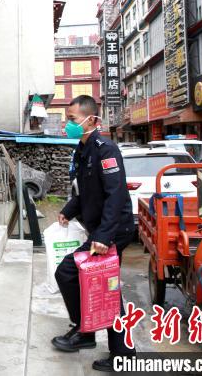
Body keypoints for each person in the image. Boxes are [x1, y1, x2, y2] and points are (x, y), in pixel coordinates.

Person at [52, 95, 136, 371]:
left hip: (113, 230)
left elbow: (116, 195)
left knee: (72, 273)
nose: (68, 124)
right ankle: (92, 335)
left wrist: (103, 237)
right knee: (103, 285)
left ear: (91, 120)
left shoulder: (106, 150)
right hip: (101, 229)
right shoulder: (83, 149)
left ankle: (93, 336)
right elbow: (86, 191)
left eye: (72, 119)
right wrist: (68, 210)